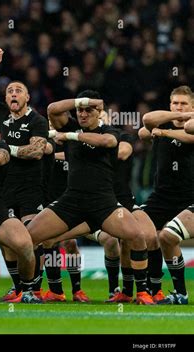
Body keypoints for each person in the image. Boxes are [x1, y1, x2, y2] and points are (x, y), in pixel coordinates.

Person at [26, 90, 154, 305]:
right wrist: (81, 101)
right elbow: (52, 109)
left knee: (137, 236)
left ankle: (142, 292)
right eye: (80, 111)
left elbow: (107, 143)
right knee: (28, 237)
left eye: (88, 110)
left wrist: (70, 136)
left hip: (104, 202)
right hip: (72, 201)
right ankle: (31, 289)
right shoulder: (70, 124)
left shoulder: (110, 131)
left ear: (99, 112)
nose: (83, 114)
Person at [0, 48, 48, 298]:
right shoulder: (3, 115)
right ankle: (19, 288)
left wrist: (6, 147)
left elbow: (36, 152)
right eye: (9, 91)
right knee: (7, 241)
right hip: (4, 188)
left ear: (27, 97)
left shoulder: (37, 120)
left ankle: (34, 288)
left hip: (30, 189)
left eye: (18, 90)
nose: (13, 93)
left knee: (29, 238)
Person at [139, 85, 194, 302]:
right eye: (175, 103)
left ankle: (181, 292)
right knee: (137, 232)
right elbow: (146, 123)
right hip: (161, 198)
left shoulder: (172, 129)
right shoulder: (160, 123)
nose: (178, 107)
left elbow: (190, 133)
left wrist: (163, 132)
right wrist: (174, 118)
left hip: (190, 198)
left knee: (167, 236)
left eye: (183, 104)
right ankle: (152, 289)